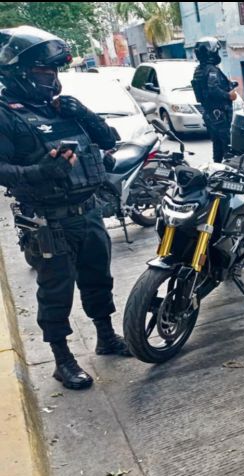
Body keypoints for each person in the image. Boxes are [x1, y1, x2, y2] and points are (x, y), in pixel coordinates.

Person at [0, 26, 131, 390]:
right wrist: (41, 171)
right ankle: (62, 359)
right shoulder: (6, 114)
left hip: (86, 212)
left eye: (54, 72)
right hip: (48, 222)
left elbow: (108, 140)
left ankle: (106, 337)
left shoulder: (60, 105)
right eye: (44, 73)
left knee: (98, 279)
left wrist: (84, 113)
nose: (51, 79)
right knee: (56, 292)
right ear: (20, 73)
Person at [191, 37, 237, 164]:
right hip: (219, 115)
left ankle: (216, 167)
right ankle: (229, 173)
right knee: (227, 147)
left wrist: (229, 85)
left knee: (217, 145)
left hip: (209, 114)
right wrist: (228, 95)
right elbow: (213, 89)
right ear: (211, 52)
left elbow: (207, 90)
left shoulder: (199, 70)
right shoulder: (212, 70)